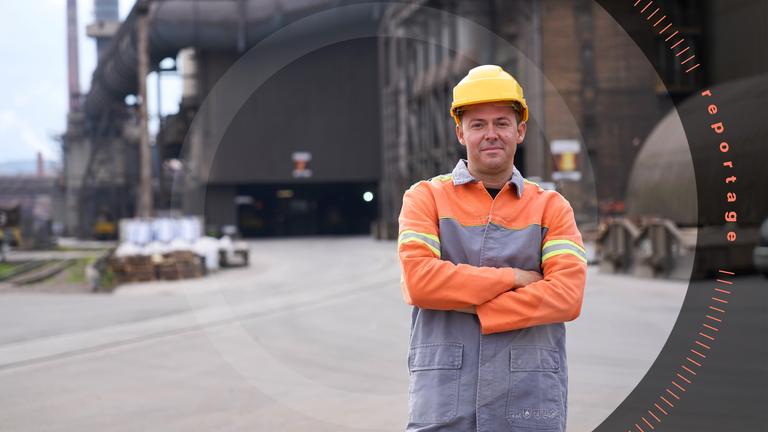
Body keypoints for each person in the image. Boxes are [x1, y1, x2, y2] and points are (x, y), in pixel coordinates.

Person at [397, 65, 587, 431]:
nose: (491, 135)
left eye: (501, 122)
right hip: (446, 393)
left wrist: (473, 306)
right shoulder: (425, 199)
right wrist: (516, 277)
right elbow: (420, 282)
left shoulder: (551, 207)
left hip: (528, 392)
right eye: (478, 124)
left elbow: (566, 297)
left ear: (520, 130)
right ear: (460, 132)